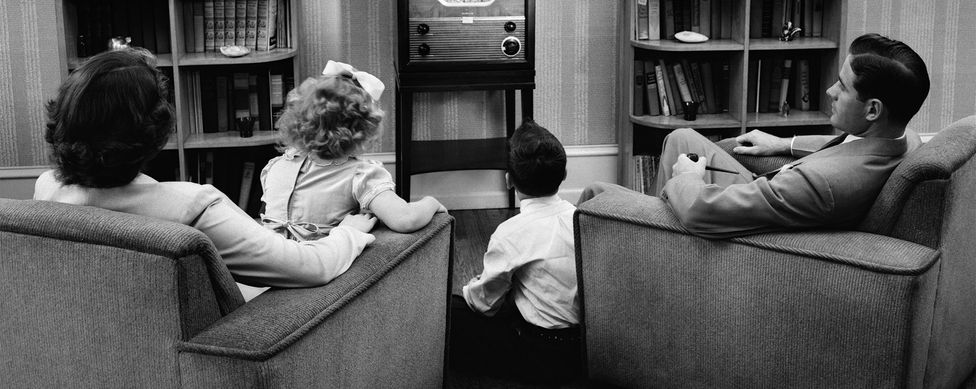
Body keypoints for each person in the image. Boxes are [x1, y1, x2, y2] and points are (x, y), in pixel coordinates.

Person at [34, 48, 377, 291]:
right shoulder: (191, 207)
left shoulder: (46, 189)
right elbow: (310, 268)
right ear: (155, 132)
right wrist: (348, 232)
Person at [583, 33, 930, 238]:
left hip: (719, 220)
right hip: (766, 190)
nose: (828, 91)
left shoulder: (822, 184)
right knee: (682, 139)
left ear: (872, 109)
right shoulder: (903, 137)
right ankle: (651, 233)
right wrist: (785, 143)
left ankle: (656, 241)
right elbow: (849, 150)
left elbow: (703, 212)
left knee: (594, 197)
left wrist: (687, 179)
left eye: (842, 86)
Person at [450, 119, 581, 385]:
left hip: (539, 351)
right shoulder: (582, 219)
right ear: (564, 174)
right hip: (584, 347)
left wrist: (471, 288)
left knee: (450, 312)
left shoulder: (511, 232)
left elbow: (484, 303)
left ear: (509, 180)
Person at [259, 60, 445, 240]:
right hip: (319, 262)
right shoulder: (361, 175)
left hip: (270, 259)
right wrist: (431, 202)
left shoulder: (276, 167)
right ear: (365, 130)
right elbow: (405, 219)